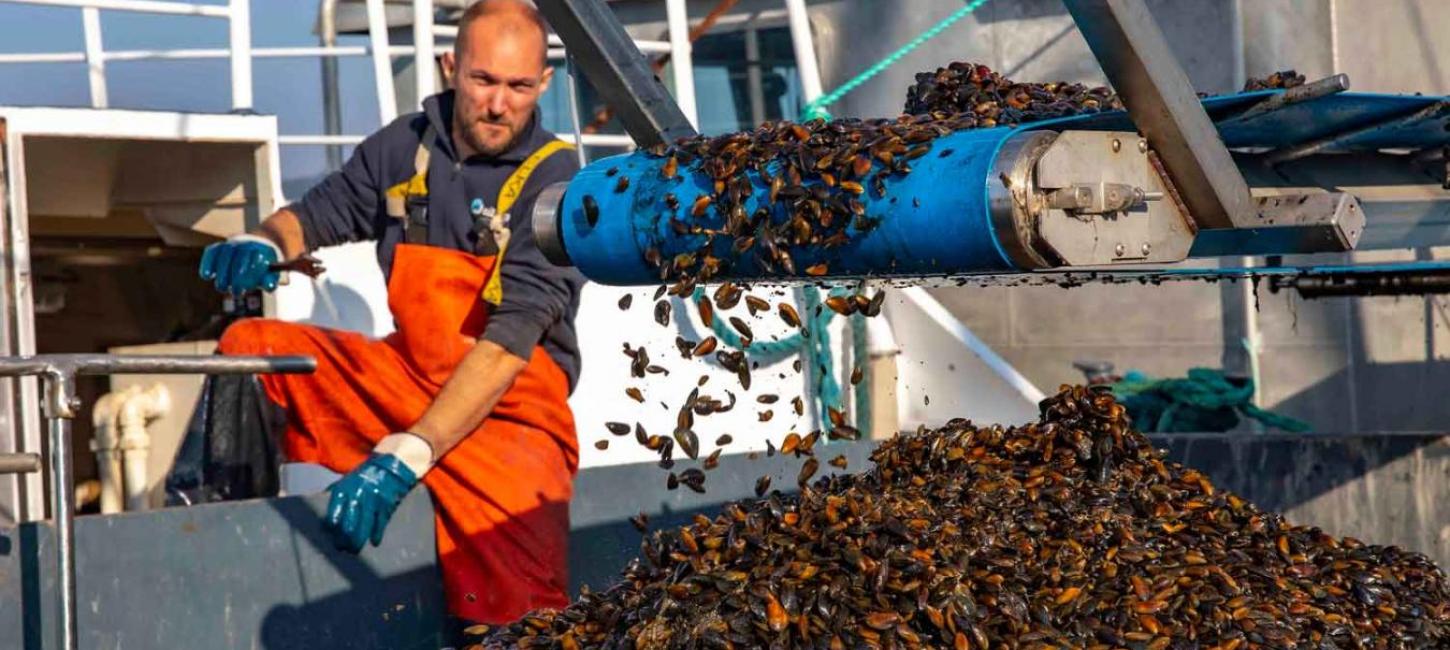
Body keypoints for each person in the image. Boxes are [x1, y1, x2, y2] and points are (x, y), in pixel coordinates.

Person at [195, 0, 583, 625]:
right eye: (484, 80)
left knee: (523, 611)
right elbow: (316, 214)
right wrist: (263, 243)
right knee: (250, 347)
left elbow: (512, 342)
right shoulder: (402, 148)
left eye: (517, 87)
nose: (497, 104)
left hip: (512, 412)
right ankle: (211, 537)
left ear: (542, 83)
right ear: (451, 66)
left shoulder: (560, 178)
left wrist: (406, 457)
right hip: (405, 379)